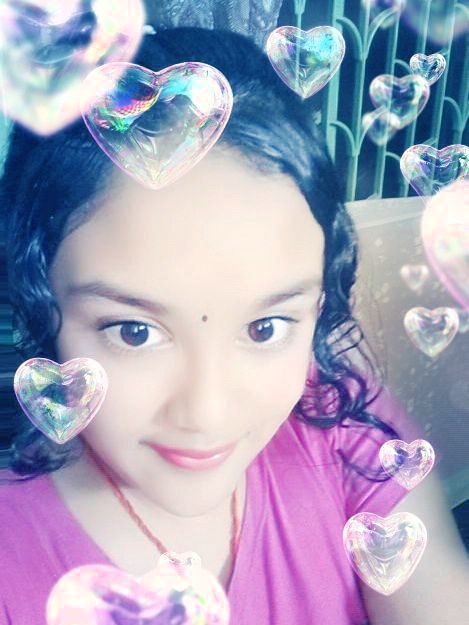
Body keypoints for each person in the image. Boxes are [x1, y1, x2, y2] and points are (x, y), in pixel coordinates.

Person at [0, 27, 468, 625]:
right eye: (134, 332)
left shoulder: (341, 419)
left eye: (266, 327)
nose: (207, 414)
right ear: (41, 301)